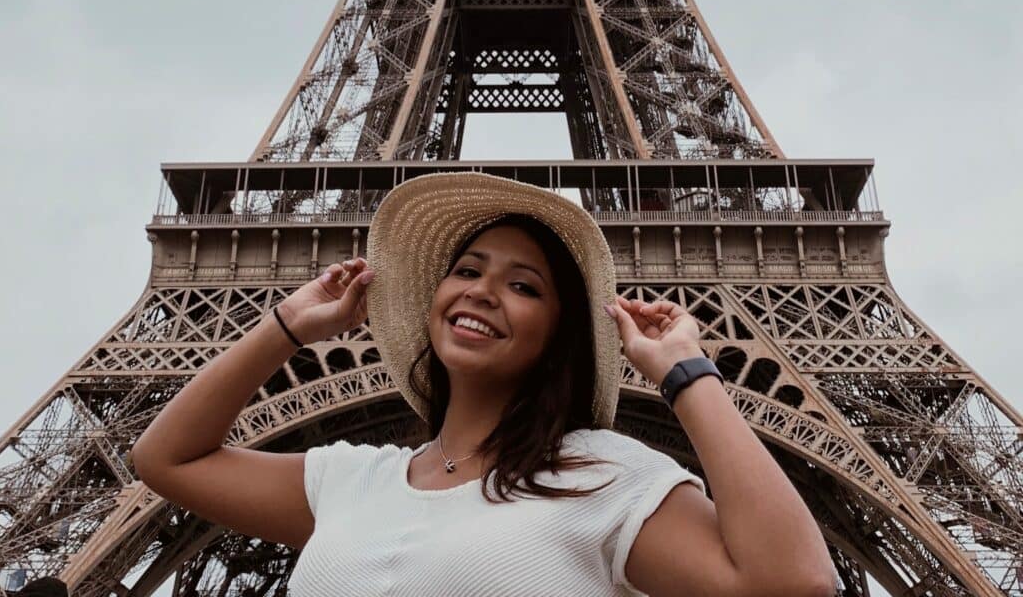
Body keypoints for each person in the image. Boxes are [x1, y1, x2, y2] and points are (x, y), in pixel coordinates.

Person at [132, 172, 837, 597]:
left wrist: (688, 374)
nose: (483, 291)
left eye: (523, 285)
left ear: (559, 333)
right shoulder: (354, 482)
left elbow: (791, 585)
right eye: (467, 270)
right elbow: (166, 459)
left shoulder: (603, 477)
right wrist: (285, 326)